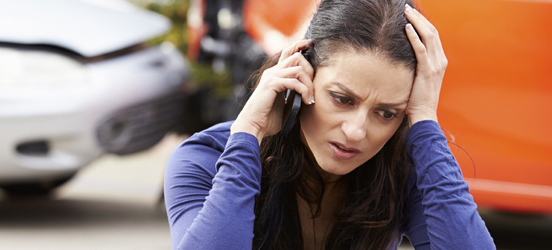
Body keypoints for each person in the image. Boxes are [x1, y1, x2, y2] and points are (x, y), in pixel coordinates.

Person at [164, 0, 495, 249]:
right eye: (342, 99)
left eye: (386, 113)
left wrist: (424, 118)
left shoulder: (402, 169)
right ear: (301, 73)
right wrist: (248, 133)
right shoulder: (204, 159)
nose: (356, 132)